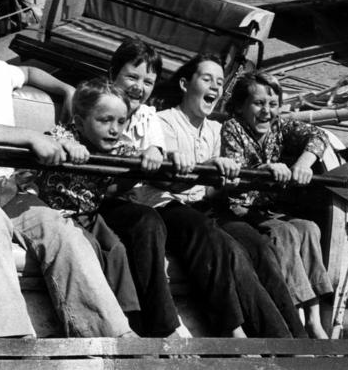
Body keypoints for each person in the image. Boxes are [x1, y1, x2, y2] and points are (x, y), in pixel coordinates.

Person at [0, 1, 136, 341]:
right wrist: (30, 137)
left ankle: (109, 336)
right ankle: (2, 338)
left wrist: (66, 90)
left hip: (7, 189)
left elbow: (30, 72)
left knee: (59, 227)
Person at [127, 53, 302, 338]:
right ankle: (245, 336)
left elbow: (212, 190)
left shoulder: (217, 130)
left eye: (219, 82)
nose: (214, 87)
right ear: (185, 84)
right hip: (166, 205)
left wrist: (243, 177)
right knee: (223, 245)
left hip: (204, 207)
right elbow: (171, 185)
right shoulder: (163, 122)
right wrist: (208, 169)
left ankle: (296, 338)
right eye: (206, 79)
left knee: (255, 244)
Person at [220, 71, 334, 338]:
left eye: (272, 105)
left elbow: (319, 135)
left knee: (308, 228)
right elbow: (235, 172)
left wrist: (303, 163)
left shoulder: (279, 127)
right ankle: (294, 312)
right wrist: (266, 169)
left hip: (268, 209)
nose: (266, 111)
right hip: (239, 209)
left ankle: (314, 317)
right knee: (284, 232)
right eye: (258, 104)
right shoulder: (232, 128)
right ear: (240, 106)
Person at [93, 38, 189, 338]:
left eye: (148, 81)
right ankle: (163, 327)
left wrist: (166, 159)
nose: (139, 87)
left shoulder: (148, 115)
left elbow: (156, 158)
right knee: (145, 221)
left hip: (126, 196)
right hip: (94, 195)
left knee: (154, 219)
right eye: (132, 77)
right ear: (113, 74)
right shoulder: (96, 104)